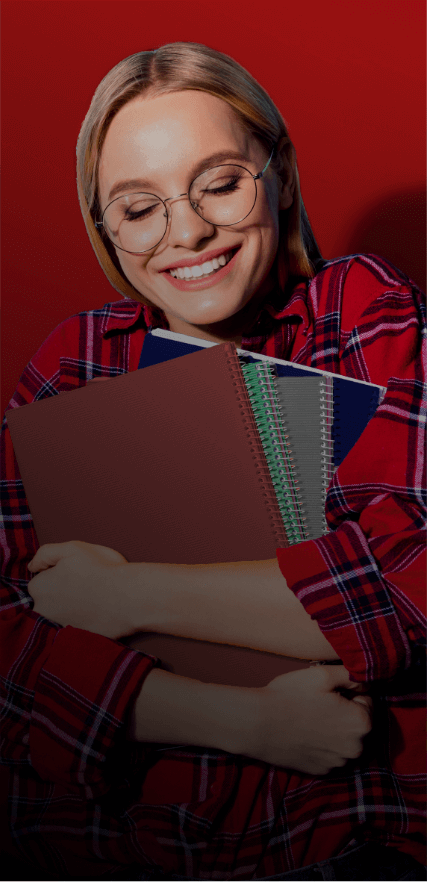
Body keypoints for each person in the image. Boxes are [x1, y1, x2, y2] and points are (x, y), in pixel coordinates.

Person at [0, 42, 425, 882]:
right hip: (110, 834)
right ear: (104, 224)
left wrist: (121, 595)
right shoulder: (77, 362)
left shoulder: (356, 312)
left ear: (278, 175)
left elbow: (410, 587)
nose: (186, 232)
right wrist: (237, 719)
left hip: (346, 833)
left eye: (220, 183)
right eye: (138, 207)